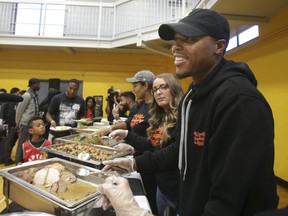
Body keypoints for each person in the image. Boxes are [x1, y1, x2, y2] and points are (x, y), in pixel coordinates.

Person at [101, 9, 279, 216]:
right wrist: (134, 162)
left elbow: (229, 200)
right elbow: (181, 150)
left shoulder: (239, 101)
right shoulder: (192, 96)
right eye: (176, 40)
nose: (176, 47)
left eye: (189, 39)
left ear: (219, 47)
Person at [110, 73, 183, 216]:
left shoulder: (183, 117)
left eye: (164, 87)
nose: (158, 92)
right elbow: (151, 145)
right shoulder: (160, 116)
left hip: (178, 191)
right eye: (155, 89)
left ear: (174, 89)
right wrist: (127, 135)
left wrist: (134, 163)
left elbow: (171, 154)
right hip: (162, 188)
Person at [15, 78, 41, 165]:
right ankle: (18, 162)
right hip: (25, 124)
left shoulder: (35, 95)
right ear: (33, 84)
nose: (39, 86)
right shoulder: (27, 95)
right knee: (22, 144)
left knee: (28, 144)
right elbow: (19, 110)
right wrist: (17, 123)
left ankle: (25, 160)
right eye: (38, 84)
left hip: (32, 124)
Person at [0, 87, 20, 166]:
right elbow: (13, 115)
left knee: (3, 142)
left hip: (2, 124)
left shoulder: (4, 102)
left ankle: (2, 159)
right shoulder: (13, 102)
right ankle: (7, 160)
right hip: (10, 125)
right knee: (8, 142)